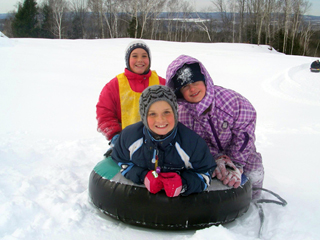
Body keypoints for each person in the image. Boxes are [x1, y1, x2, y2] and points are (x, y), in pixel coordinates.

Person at [165, 55, 264, 199]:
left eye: (195, 82)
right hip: (211, 156)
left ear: (204, 80)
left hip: (239, 151)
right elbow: (194, 145)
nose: (192, 89)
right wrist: (215, 158)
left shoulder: (230, 101)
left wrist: (236, 162)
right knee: (211, 175)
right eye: (185, 86)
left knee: (254, 165)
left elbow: (244, 135)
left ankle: (255, 198)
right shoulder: (182, 115)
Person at [111, 85, 216, 197]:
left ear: (175, 113)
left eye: (166, 112)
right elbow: (121, 161)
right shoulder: (130, 137)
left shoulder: (192, 143)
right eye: (152, 114)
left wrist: (183, 183)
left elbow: (205, 172)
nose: (160, 120)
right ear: (143, 116)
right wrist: (143, 176)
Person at [96, 40, 166, 149]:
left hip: (158, 142)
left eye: (144, 56)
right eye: (134, 56)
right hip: (125, 143)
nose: (140, 60)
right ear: (128, 60)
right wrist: (115, 135)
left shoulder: (161, 83)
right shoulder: (114, 85)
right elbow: (104, 113)